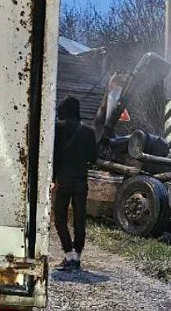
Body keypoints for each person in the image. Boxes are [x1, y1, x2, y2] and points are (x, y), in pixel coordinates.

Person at [52, 96, 97, 271]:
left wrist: (53, 178)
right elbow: (93, 158)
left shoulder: (59, 128)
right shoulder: (89, 131)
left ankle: (68, 254)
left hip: (63, 180)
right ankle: (77, 257)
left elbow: (55, 156)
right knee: (79, 219)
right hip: (81, 181)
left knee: (60, 219)